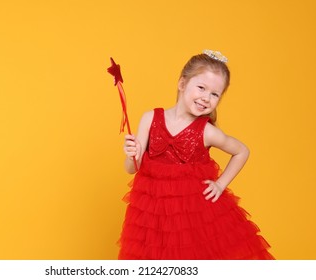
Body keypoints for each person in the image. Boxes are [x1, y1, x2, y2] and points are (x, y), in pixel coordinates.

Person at [117, 50, 274, 260]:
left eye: (215, 94)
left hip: (191, 218)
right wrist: (132, 154)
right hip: (152, 217)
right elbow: (132, 168)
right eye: (201, 88)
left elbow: (241, 151)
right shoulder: (150, 118)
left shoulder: (208, 132)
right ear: (182, 83)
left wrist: (220, 184)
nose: (206, 98)